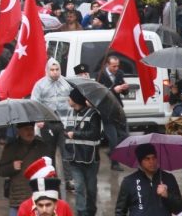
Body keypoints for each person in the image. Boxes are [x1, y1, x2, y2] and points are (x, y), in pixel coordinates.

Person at [30, 58, 72, 184]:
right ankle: (50, 178)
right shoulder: (40, 84)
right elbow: (35, 102)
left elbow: (72, 102)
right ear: (47, 70)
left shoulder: (66, 83)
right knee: (49, 152)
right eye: (52, 70)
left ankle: (69, 179)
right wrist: (38, 119)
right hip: (47, 123)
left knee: (66, 151)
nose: (55, 72)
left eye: (57, 69)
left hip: (63, 122)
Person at [0, 124, 52, 215]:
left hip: (39, 197)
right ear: (19, 131)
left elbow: (51, 172)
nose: (30, 132)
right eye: (26, 129)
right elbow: (0, 170)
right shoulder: (11, 147)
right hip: (18, 198)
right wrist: (12, 167)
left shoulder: (42, 147)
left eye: (31, 129)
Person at [115, 143, 182, 215]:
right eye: (147, 159)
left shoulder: (168, 178)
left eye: (154, 158)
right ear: (140, 161)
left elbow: (179, 209)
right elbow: (120, 211)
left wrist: (167, 195)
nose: (152, 162)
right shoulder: (129, 182)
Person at [65, 88, 102, 216]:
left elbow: (95, 134)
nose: (68, 100)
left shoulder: (93, 114)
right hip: (74, 159)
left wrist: (75, 134)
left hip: (90, 159)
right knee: (79, 186)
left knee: (91, 189)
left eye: (70, 97)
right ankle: (81, 212)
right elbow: (67, 131)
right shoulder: (70, 113)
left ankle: (91, 211)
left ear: (76, 100)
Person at [97, 55, 129, 171]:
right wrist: (113, 90)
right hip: (106, 111)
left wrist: (125, 88)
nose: (116, 68)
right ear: (107, 65)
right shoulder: (101, 75)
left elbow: (125, 93)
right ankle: (115, 163)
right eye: (113, 66)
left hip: (118, 109)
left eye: (117, 66)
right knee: (113, 138)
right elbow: (100, 93)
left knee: (125, 135)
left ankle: (112, 152)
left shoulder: (119, 73)